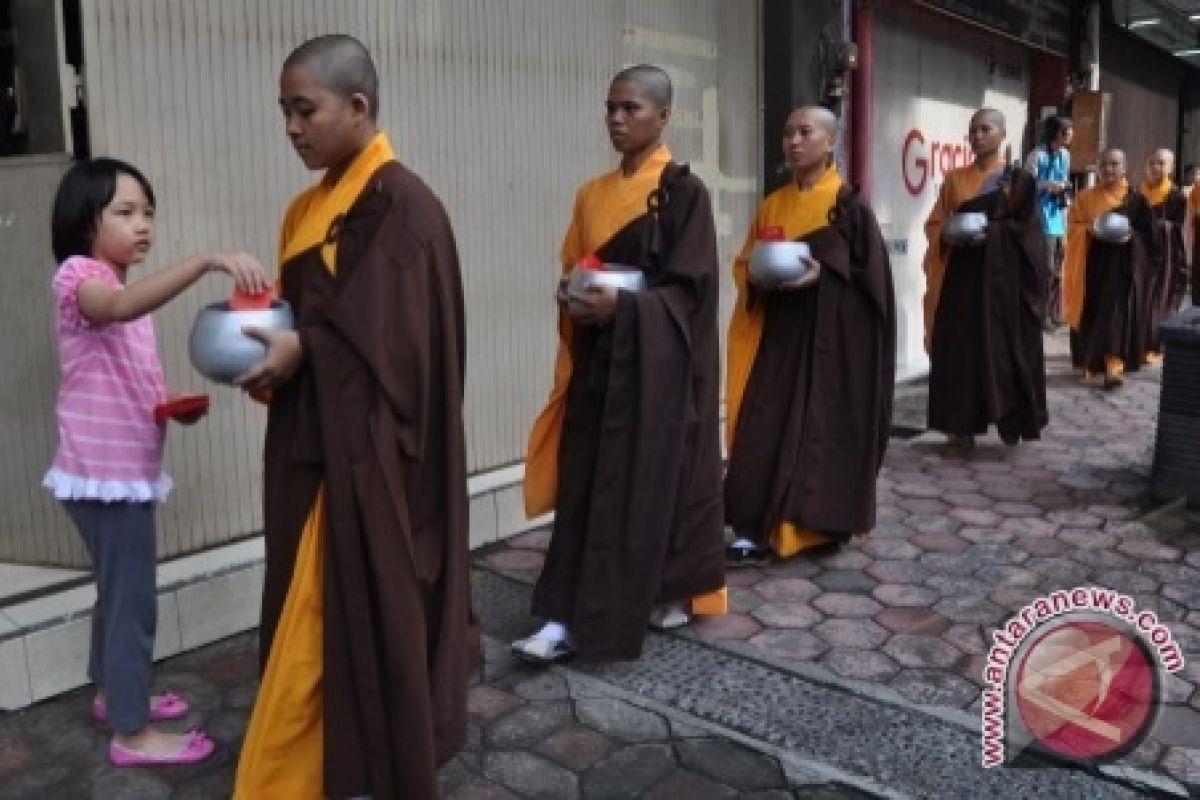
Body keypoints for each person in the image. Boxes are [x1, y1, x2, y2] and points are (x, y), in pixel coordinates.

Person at [232, 35, 476, 798]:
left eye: (305, 110)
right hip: (311, 447)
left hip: (373, 458)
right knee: (310, 614)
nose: (293, 129)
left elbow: (404, 356)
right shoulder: (307, 209)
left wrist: (303, 349)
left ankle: (313, 769)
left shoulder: (406, 207)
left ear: (359, 106)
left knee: (333, 611)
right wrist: (268, 353)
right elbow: (301, 317)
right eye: (284, 113)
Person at [44, 157, 268, 765]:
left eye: (148, 212)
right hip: (103, 478)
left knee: (116, 595)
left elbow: (117, 374)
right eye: (124, 212)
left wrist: (167, 408)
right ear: (82, 221)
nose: (143, 224)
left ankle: (111, 695)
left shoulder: (113, 283)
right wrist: (202, 263)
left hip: (117, 473)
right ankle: (132, 732)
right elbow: (113, 311)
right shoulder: (79, 277)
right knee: (132, 602)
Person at [516, 64, 727, 665]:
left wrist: (628, 306)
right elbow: (577, 265)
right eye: (610, 108)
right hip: (599, 363)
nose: (616, 119)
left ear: (663, 117)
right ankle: (562, 613)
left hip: (653, 372)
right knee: (585, 486)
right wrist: (570, 294)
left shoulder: (684, 192)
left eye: (630, 109)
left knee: (644, 487)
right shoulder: (592, 193)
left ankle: (651, 593)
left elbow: (692, 294)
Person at [723, 106, 895, 566]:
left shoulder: (849, 208)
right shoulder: (773, 204)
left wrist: (827, 274)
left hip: (830, 341)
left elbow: (873, 285)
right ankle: (752, 527)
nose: (793, 141)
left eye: (805, 132)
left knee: (817, 431)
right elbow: (745, 262)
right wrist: (755, 276)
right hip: (778, 334)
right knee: (762, 425)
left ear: (830, 141)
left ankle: (810, 528)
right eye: (787, 133)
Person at [923, 108, 1049, 452]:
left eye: (985, 129)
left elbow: (1029, 233)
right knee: (958, 353)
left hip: (1002, 281)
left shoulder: (1016, 180)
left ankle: (1011, 418)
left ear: (1002, 135)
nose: (977, 136)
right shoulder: (955, 179)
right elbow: (935, 224)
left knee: (1004, 349)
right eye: (973, 130)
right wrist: (948, 235)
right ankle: (959, 431)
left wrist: (991, 234)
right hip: (961, 277)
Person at [1063, 148, 1155, 388]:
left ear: (1125, 168)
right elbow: (1073, 225)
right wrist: (1090, 230)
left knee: (1116, 316)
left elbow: (1149, 237)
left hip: (1123, 266)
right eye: (1104, 165)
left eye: (1114, 164)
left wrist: (1129, 237)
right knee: (1092, 313)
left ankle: (1114, 366)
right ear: (1098, 168)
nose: (1109, 169)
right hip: (1091, 263)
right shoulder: (1085, 197)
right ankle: (1091, 363)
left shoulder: (1135, 200)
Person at [1137, 148, 1188, 357]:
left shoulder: (1175, 196)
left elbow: (1178, 228)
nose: (1156, 167)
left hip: (1166, 257)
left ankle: (1154, 343)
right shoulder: (1137, 193)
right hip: (1139, 254)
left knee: (1159, 299)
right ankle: (1137, 342)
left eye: (1161, 163)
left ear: (1171, 168)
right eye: (1152, 163)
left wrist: (1156, 226)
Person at [1024, 115, 1074, 330]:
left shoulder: (1065, 155)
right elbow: (1025, 186)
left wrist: (1063, 188)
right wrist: (1047, 185)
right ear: (1057, 133)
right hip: (1041, 217)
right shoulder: (1037, 155)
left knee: (1057, 271)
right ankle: (1041, 315)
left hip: (1058, 216)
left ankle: (1054, 312)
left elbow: (1065, 178)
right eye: (1067, 132)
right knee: (1045, 269)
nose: (1071, 136)